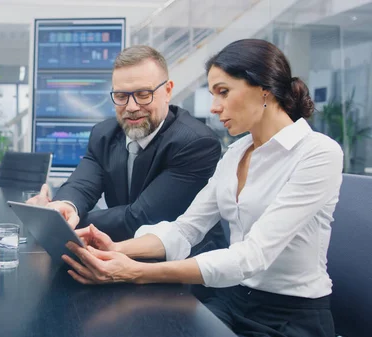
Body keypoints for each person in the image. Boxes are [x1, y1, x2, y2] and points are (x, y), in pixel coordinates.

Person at [62, 39, 342, 337]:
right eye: (212, 94)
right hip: (233, 299)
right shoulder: (236, 153)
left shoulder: (318, 153)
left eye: (223, 92)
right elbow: (186, 229)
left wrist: (136, 271)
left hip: (290, 315)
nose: (213, 107)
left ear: (265, 88)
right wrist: (116, 250)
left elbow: (252, 256)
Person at [28, 45, 227, 256]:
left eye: (143, 94)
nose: (131, 107)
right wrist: (64, 207)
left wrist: (55, 221)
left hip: (185, 269)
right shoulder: (104, 133)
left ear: (168, 91)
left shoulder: (195, 143)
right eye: (121, 96)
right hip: (116, 256)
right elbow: (82, 185)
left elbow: (140, 217)